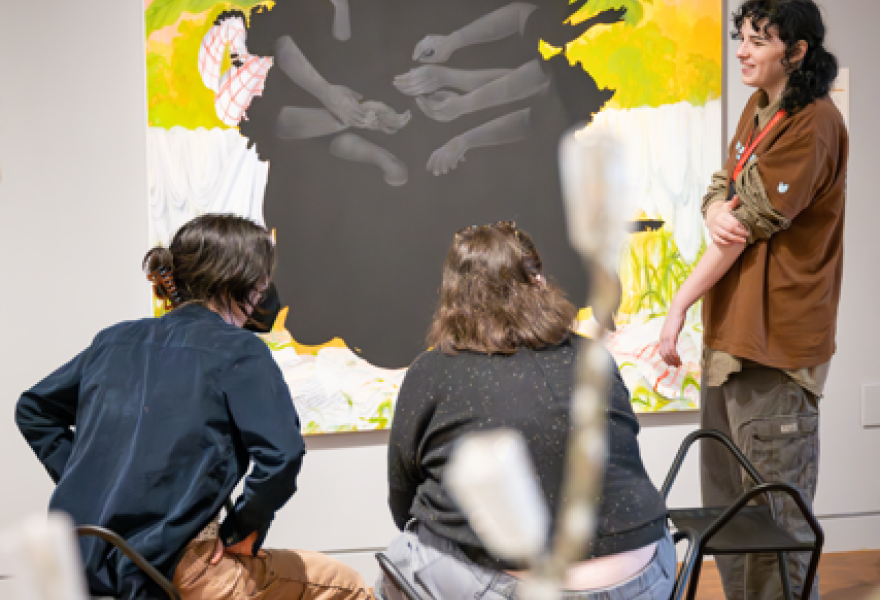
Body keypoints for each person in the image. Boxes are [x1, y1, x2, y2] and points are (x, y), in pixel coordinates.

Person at [15, 214, 372, 600]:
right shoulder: (239, 350)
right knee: (347, 584)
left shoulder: (113, 341)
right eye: (263, 278)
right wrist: (241, 530)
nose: (267, 288)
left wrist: (85, 483)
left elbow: (34, 409)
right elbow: (282, 454)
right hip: (176, 570)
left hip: (80, 565)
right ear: (241, 278)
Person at [658, 1, 846, 599]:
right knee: (732, 522)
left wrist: (678, 302)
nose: (742, 50)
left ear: (796, 52)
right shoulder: (764, 106)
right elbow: (725, 188)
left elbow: (748, 224)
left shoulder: (813, 122)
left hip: (775, 348)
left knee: (776, 533)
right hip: (733, 343)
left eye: (758, 41)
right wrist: (717, 206)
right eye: (741, 36)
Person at [378, 222, 672, 599]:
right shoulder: (593, 355)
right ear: (539, 282)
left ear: (454, 292)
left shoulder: (431, 370)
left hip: (518, 587)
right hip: (642, 577)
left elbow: (402, 496)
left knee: (400, 558)